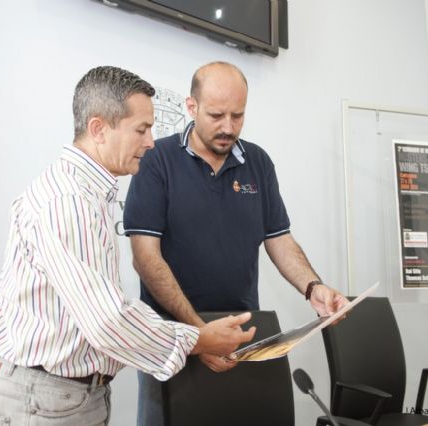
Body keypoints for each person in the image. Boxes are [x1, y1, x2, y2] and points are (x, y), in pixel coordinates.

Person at [0, 66, 256, 426]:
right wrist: (198, 339)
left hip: (64, 397)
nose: (151, 142)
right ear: (98, 129)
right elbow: (107, 321)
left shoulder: (86, 194)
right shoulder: (68, 201)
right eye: (141, 129)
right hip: (41, 402)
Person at [123, 61, 349, 426]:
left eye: (238, 115)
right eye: (216, 115)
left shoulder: (258, 162)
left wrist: (313, 287)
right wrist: (199, 333)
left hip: (239, 336)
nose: (228, 127)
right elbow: (145, 258)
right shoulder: (156, 160)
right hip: (175, 337)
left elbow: (279, 239)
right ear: (191, 106)